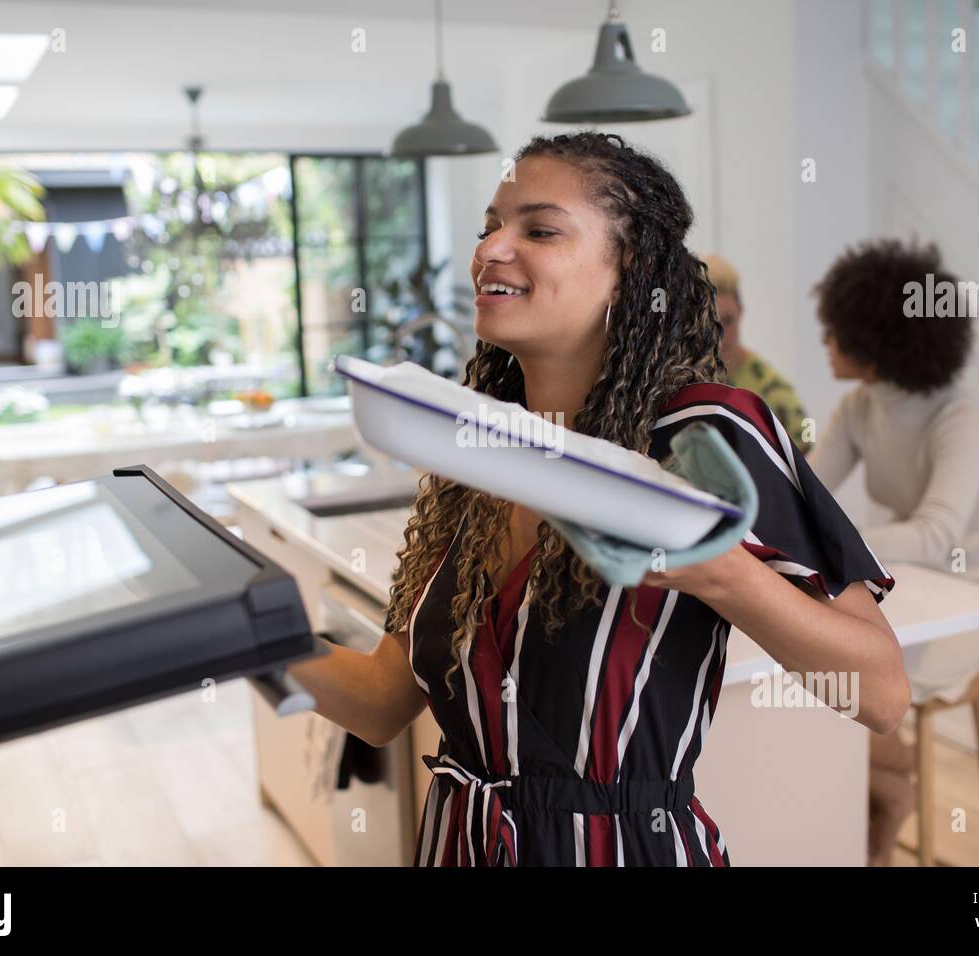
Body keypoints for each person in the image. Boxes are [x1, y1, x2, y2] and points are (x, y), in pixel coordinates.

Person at [289, 132, 908, 867]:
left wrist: (717, 570)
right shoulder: (470, 451)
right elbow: (382, 701)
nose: (490, 249)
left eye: (539, 229)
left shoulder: (706, 434)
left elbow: (881, 692)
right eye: (490, 225)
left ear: (629, 272)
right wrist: (239, 639)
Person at [806, 237, 979, 866]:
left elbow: (936, 534)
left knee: (851, 680)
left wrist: (832, 545)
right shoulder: (860, 405)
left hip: (975, 598)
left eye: (835, 331)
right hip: (909, 589)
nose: (826, 343)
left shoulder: (958, 415)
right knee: (819, 667)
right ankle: (884, 807)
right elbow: (810, 497)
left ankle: (883, 809)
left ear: (875, 340)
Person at [701, 252, 813, 452]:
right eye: (710, 323)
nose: (720, 336)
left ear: (740, 311)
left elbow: (808, 466)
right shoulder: (677, 381)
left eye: (727, 321)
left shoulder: (775, 394)